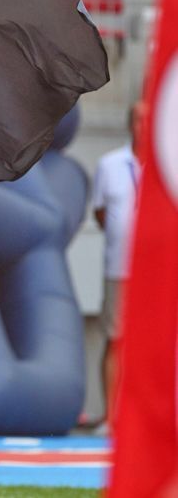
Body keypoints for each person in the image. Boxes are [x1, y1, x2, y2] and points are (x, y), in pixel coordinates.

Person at [92, 101, 144, 431]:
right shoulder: (111, 164)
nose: (143, 124)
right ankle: (112, 416)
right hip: (120, 268)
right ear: (129, 124)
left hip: (159, 272)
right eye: (137, 118)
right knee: (116, 339)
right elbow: (100, 214)